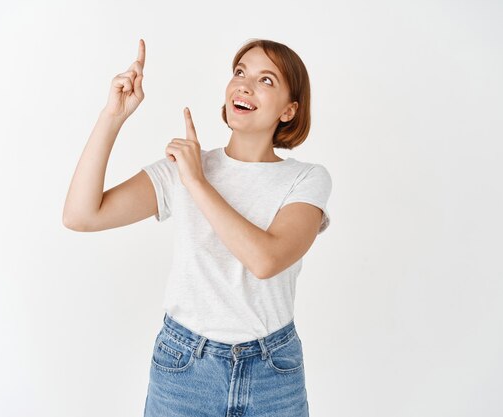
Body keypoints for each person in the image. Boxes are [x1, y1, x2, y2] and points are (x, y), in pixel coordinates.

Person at [62, 37, 332, 417]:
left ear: (289, 110)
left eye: (266, 80)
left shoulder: (306, 179)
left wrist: (198, 183)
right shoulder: (183, 168)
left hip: (273, 372)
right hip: (184, 368)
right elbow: (80, 215)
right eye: (240, 73)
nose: (245, 84)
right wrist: (113, 116)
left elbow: (266, 260)